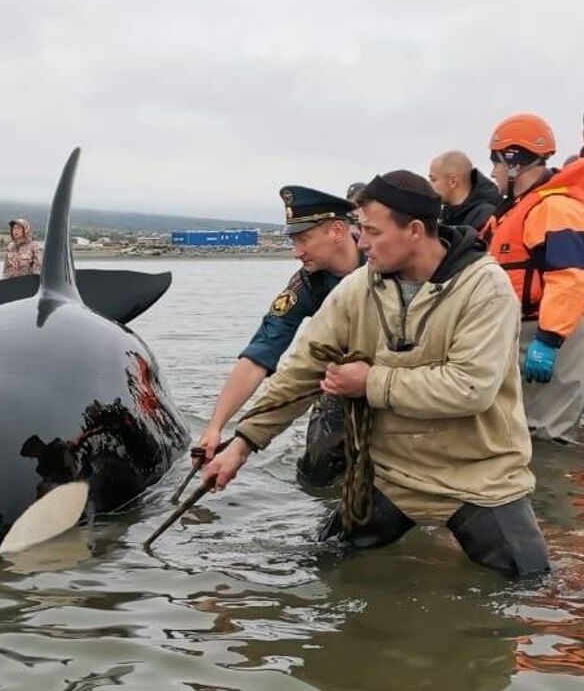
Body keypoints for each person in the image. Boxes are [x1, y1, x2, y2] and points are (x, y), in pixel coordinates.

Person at [202, 170, 549, 578]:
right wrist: (242, 444)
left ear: (415, 230)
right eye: (359, 230)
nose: (361, 242)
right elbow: (301, 369)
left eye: (371, 231)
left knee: (530, 588)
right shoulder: (358, 287)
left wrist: (370, 382)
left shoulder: (486, 288)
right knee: (321, 566)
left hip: (479, 476)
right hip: (393, 476)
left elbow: (470, 389)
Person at [196, 186, 363, 486]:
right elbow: (260, 352)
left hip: (393, 381)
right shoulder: (306, 286)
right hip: (337, 384)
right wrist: (215, 426)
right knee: (316, 476)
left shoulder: (384, 258)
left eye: (304, 238)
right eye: (293, 240)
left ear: (337, 230)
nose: (296, 252)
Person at [482, 113, 584, 445]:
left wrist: (549, 339)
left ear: (514, 162)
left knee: (547, 433)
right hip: (527, 329)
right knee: (523, 429)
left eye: (496, 162)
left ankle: (553, 495)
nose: (493, 172)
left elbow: (569, 278)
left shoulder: (554, 207)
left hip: (552, 333)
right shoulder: (519, 209)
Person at [428, 150, 501, 230]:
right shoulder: (446, 216)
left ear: (453, 181)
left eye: (433, 179)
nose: (429, 184)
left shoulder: (485, 215)